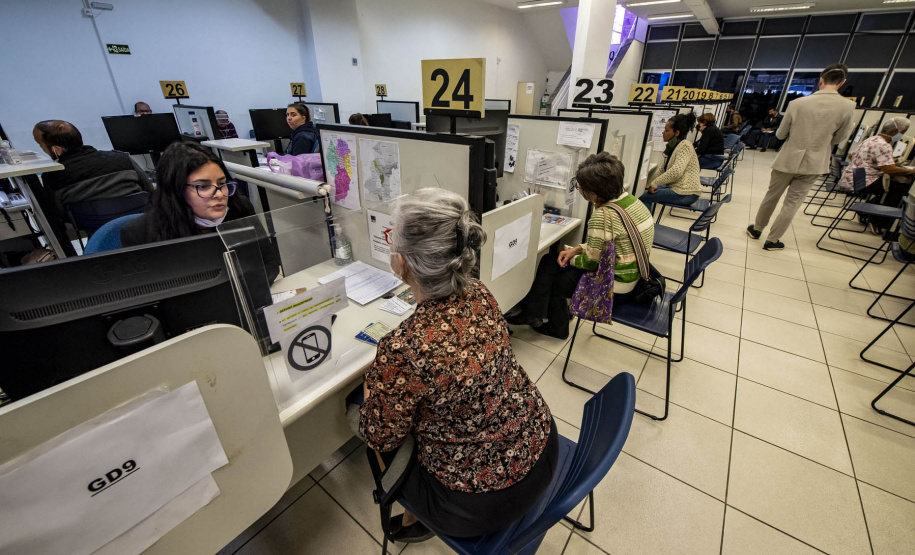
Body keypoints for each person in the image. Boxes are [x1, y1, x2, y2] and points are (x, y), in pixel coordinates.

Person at [358, 188, 557, 542]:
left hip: (478, 506)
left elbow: (380, 435)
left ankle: (412, 517)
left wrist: (374, 388)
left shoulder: (403, 348)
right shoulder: (480, 292)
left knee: (359, 409)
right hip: (541, 452)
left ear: (402, 263)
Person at [508, 153, 654, 339]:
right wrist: (576, 250)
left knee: (557, 277)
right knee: (550, 261)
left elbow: (591, 264)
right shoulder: (631, 201)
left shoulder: (603, 216)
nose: (579, 190)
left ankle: (555, 327)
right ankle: (535, 314)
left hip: (615, 288)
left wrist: (573, 257)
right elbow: (610, 244)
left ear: (592, 193)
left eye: (580, 187)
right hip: (636, 275)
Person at [120, 142, 280, 282]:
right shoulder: (141, 233)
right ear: (176, 191)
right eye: (203, 186)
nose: (218, 194)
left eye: (222, 183)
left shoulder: (240, 208)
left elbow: (269, 263)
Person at [747, 63, 856, 250]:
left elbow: (780, 134)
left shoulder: (797, 103)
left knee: (771, 196)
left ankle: (757, 229)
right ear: (842, 82)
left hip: (788, 159)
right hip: (814, 163)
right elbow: (840, 138)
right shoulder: (848, 106)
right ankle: (772, 240)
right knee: (792, 204)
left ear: (820, 80)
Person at [32, 119, 153, 217]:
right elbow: (149, 190)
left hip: (97, 236)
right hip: (141, 228)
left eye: (41, 145)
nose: (42, 149)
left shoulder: (53, 176)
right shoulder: (122, 158)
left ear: (56, 149)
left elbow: (58, 214)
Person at [839, 117, 915, 234]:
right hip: (859, 182)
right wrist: (911, 171)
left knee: (887, 185)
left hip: (850, 177)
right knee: (899, 187)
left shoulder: (871, 139)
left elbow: (851, 156)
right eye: (902, 133)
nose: (900, 136)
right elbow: (888, 169)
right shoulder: (884, 145)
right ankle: (877, 221)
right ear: (894, 132)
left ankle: (866, 211)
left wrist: (871, 165)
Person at [639, 112, 703, 213]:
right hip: (681, 191)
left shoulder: (684, 145)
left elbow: (676, 171)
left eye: (666, 130)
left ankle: (647, 226)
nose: (663, 133)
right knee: (645, 192)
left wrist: (654, 184)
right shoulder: (674, 146)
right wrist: (648, 184)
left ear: (676, 133)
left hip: (686, 193)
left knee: (642, 196)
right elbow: (663, 169)